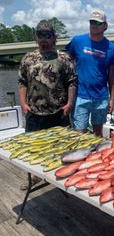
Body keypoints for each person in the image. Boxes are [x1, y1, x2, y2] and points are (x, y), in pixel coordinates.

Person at [18, 21, 77, 190]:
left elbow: (72, 82)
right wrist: (22, 103)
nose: (43, 39)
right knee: (32, 149)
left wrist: (70, 103)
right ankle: (34, 177)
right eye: (40, 35)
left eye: (47, 35)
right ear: (36, 38)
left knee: (62, 146)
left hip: (58, 112)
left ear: (54, 37)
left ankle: (60, 175)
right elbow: (22, 82)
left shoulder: (64, 58)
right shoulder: (28, 58)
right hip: (34, 113)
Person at [66, 8, 114, 136]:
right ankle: (80, 155)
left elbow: (112, 78)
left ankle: (96, 155)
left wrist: (112, 100)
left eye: (98, 23)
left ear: (105, 26)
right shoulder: (77, 41)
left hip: (101, 98)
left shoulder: (112, 48)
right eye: (92, 22)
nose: (94, 25)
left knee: (97, 133)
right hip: (80, 96)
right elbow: (67, 63)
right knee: (79, 133)